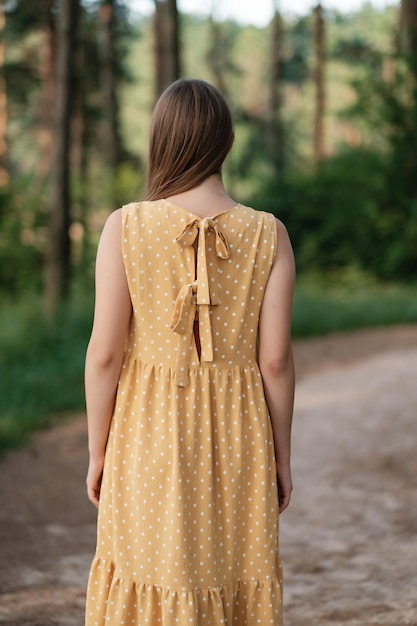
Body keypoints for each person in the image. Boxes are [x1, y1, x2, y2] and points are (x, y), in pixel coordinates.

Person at [85, 78, 295, 625]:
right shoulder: (269, 233)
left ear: (161, 142)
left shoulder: (125, 226)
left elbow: (105, 355)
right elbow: (275, 360)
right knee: (231, 569)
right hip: (239, 432)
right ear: (225, 143)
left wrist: (97, 450)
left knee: (151, 567)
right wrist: (282, 455)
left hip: (146, 428)